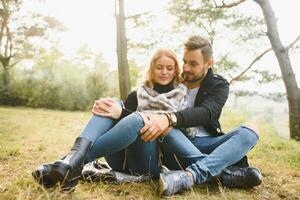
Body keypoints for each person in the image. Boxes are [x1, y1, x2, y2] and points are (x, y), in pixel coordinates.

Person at [32, 48, 186, 191]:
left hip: (148, 163)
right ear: (152, 68)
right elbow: (116, 113)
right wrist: (106, 106)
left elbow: (180, 130)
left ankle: (69, 163)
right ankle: (72, 161)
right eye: (159, 67)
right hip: (120, 160)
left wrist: (121, 113)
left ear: (175, 70)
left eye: (169, 68)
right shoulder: (139, 93)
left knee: (138, 119)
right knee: (113, 102)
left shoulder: (181, 95)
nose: (164, 72)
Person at [129, 35, 262, 196]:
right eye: (184, 61)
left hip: (208, 142)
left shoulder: (219, 85)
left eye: (193, 64)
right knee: (167, 129)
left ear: (209, 64)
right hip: (175, 142)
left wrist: (169, 118)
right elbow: (140, 95)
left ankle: (190, 176)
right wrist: (116, 105)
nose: (185, 68)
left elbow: (207, 113)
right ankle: (224, 173)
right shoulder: (173, 80)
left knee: (250, 131)